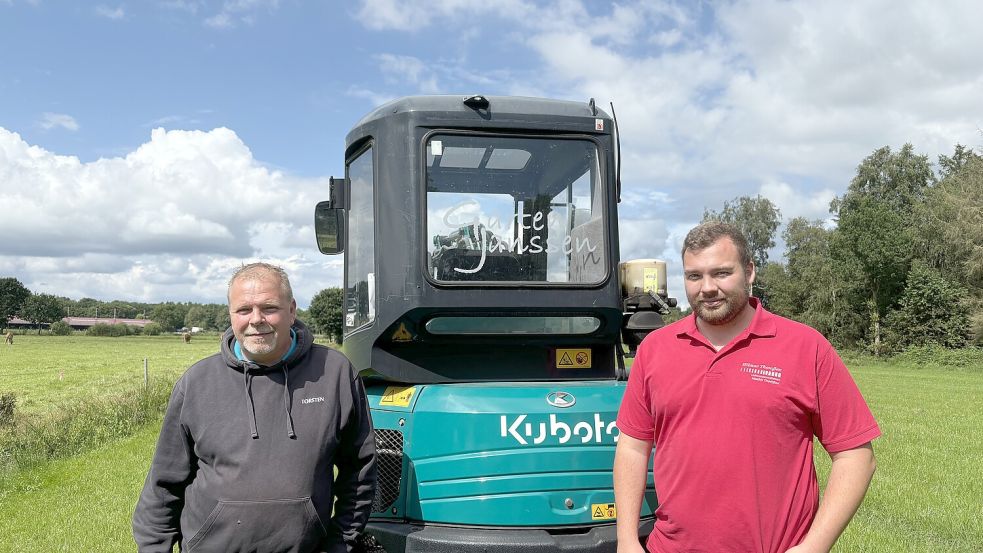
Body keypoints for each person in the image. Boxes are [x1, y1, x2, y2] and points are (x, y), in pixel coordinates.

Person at [614, 222, 880, 553]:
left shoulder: (805, 347)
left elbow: (856, 456)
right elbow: (632, 447)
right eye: (694, 276)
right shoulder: (655, 349)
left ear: (749, 272)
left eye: (722, 273)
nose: (707, 287)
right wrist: (627, 540)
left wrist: (814, 546)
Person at [133, 263, 376, 553]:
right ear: (231, 314)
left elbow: (359, 471)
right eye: (244, 310)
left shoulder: (335, 373)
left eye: (269, 308)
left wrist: (340, 544)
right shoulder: (197, 382)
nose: (256, 319)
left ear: (292, 310)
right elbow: (164, 483)